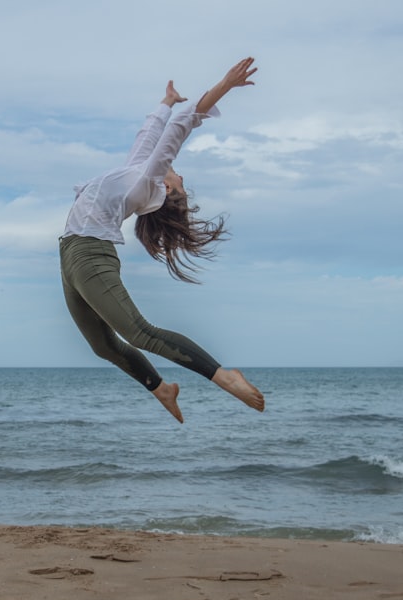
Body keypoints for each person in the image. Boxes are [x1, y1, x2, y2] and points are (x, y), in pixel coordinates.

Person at [59, 57, 265, 423]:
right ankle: (161, 388)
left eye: (179, 179)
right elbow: (149, 136)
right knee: (102, 346)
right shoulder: (137, 173)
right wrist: (166, 102)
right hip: (70, 255)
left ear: (167, 188)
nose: (177, 172)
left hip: (90, 255)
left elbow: (181, 130)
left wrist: (224, 85)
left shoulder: (147, 181)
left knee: (140, 332)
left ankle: (224, 377)